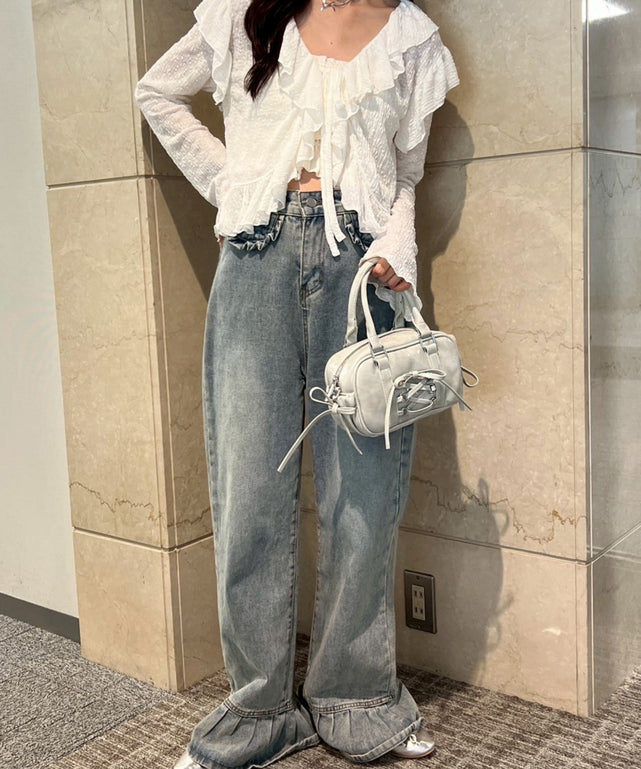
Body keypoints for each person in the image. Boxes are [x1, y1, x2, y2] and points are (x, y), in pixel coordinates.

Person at [134, 1, 458, 767]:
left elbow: (405, 173)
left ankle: (356, 694)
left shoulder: (409, 37)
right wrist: (236, 183)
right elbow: (157, 91)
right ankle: (259, 709)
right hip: (255, 255)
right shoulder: (244, 15)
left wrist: (398, 244)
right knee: (249, 486)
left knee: (363, 490)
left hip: (363, 269)